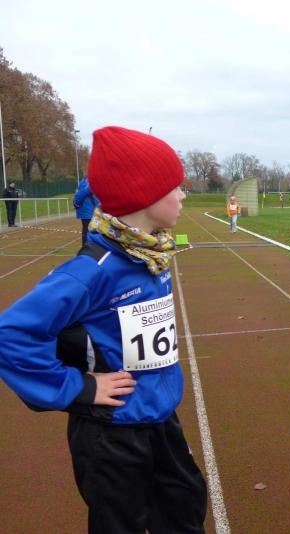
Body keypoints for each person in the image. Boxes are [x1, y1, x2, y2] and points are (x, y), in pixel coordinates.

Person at [0, 126, 207, 533]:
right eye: (175, 187)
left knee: (184, 510)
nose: (183, 195)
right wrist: (78, 387)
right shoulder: (90, 272)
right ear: (145, 195)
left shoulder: (152, 254)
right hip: (111, 433)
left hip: (161, 417)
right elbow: (11, 334)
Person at [73, 176, 100, 245]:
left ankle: (90, 247)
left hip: (91, 211)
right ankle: (86, 248)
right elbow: (81, 194)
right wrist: (76, 203)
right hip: (88, 211)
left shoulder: (87, 180)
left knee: (92, 231)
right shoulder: (88, 180)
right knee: (88, 231)